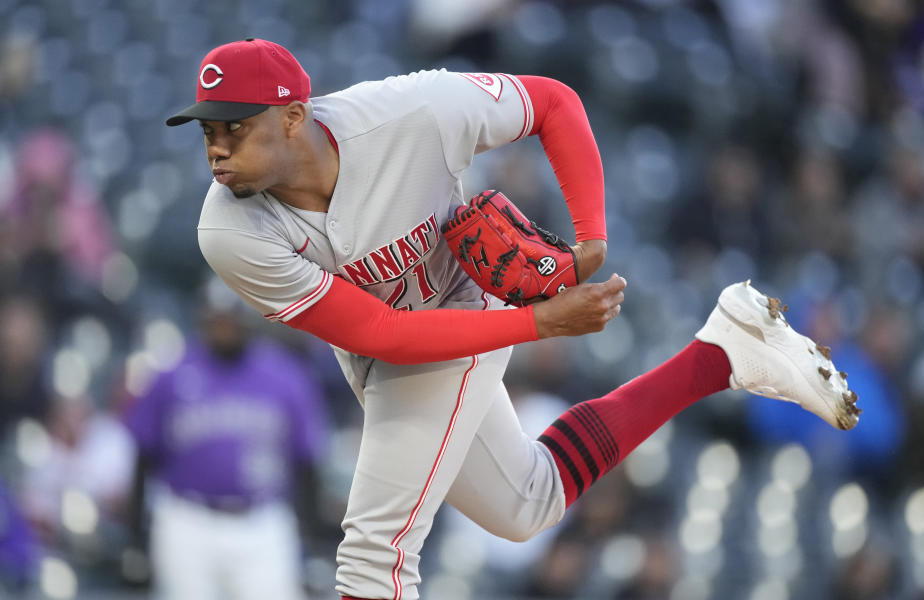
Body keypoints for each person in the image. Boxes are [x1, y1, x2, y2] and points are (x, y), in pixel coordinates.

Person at [165, 38, 861, 600]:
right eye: (207, 131)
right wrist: (543, 326)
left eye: (235, 127)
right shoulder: (230, 232)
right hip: (394, 349)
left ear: (293, 117)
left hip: (465, 301)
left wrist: (590, 236)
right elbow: (384, 336)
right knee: (527, 502)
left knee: (374, 556)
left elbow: (552, 102)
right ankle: (722, 354)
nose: (216, 149)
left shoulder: (413, 113)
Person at [123, 283, 329, 600]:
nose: (223, 328)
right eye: (216, 319)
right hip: (187, 519)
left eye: (230, 320)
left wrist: (312, 541)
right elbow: (143, 457)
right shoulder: (173, 374)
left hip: (261, 520)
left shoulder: (284, 376)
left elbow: (307, 463)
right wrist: (136, 539)